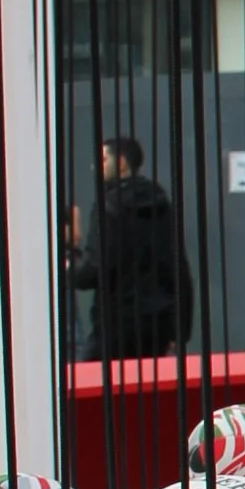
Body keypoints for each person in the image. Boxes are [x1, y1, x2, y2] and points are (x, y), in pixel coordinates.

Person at [67, 135, 192, 362]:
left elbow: (97, 269)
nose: (96, 166)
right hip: (157, 324)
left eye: (103, 160)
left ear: (122, 162)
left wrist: (69, 272)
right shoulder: (160, 202)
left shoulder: (109, 207)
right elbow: (177, 266)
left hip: (116, 325)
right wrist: (179, 329)